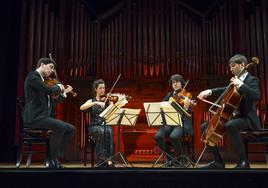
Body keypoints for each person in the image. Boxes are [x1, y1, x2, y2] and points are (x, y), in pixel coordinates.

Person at [198, 54, 261, 168]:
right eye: (230, 67)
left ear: (242, 65)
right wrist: (210, 91)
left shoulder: (252, 80)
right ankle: (218, 162)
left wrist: (241, 85)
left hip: (247, 118)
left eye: (233, 66)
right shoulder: (235, 81)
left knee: (230, 125)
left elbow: (256, 96)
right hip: (234, 117)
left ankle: (243, 161)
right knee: (205, 127)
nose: (230, 69)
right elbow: (225, 89)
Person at [23, 57, 76, 168]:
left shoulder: (43, 82)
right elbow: (48, 90)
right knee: (61, 127)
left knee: (71, 129)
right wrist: (58, 86)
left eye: (53, 69)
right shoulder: (32, 77)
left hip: (43, 117)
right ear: (42, 64)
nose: (52, 71)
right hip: (34, 117)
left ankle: (56, 156)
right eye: (51, 67)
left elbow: (52, 103)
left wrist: (64, 93)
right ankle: (52, 160)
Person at [154, 74, 194, 167]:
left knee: (174, 136)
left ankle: (181, 159)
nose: (175, 84)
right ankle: (170, 158)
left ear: (181, 83)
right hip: (169, 122)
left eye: (177, 82)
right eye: (173, 82)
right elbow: (162, 106)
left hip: (181, 122)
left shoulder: (187, 95)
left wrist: (186, 107)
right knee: (158, 137)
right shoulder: (169, 95)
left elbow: (187, 113)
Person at [80, 79, 115, 167]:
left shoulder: (107, 100)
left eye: (104, 88)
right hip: (94, 127)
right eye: (100, 88)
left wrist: (111, 104)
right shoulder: (91, 101)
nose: (103, 90)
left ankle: (108, 159)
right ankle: (103, 158)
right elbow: (82, 107)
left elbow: (112, 111)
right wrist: (95, 102)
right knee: (101, 131)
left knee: (109, 130)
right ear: (96, 89)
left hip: (105, 125)